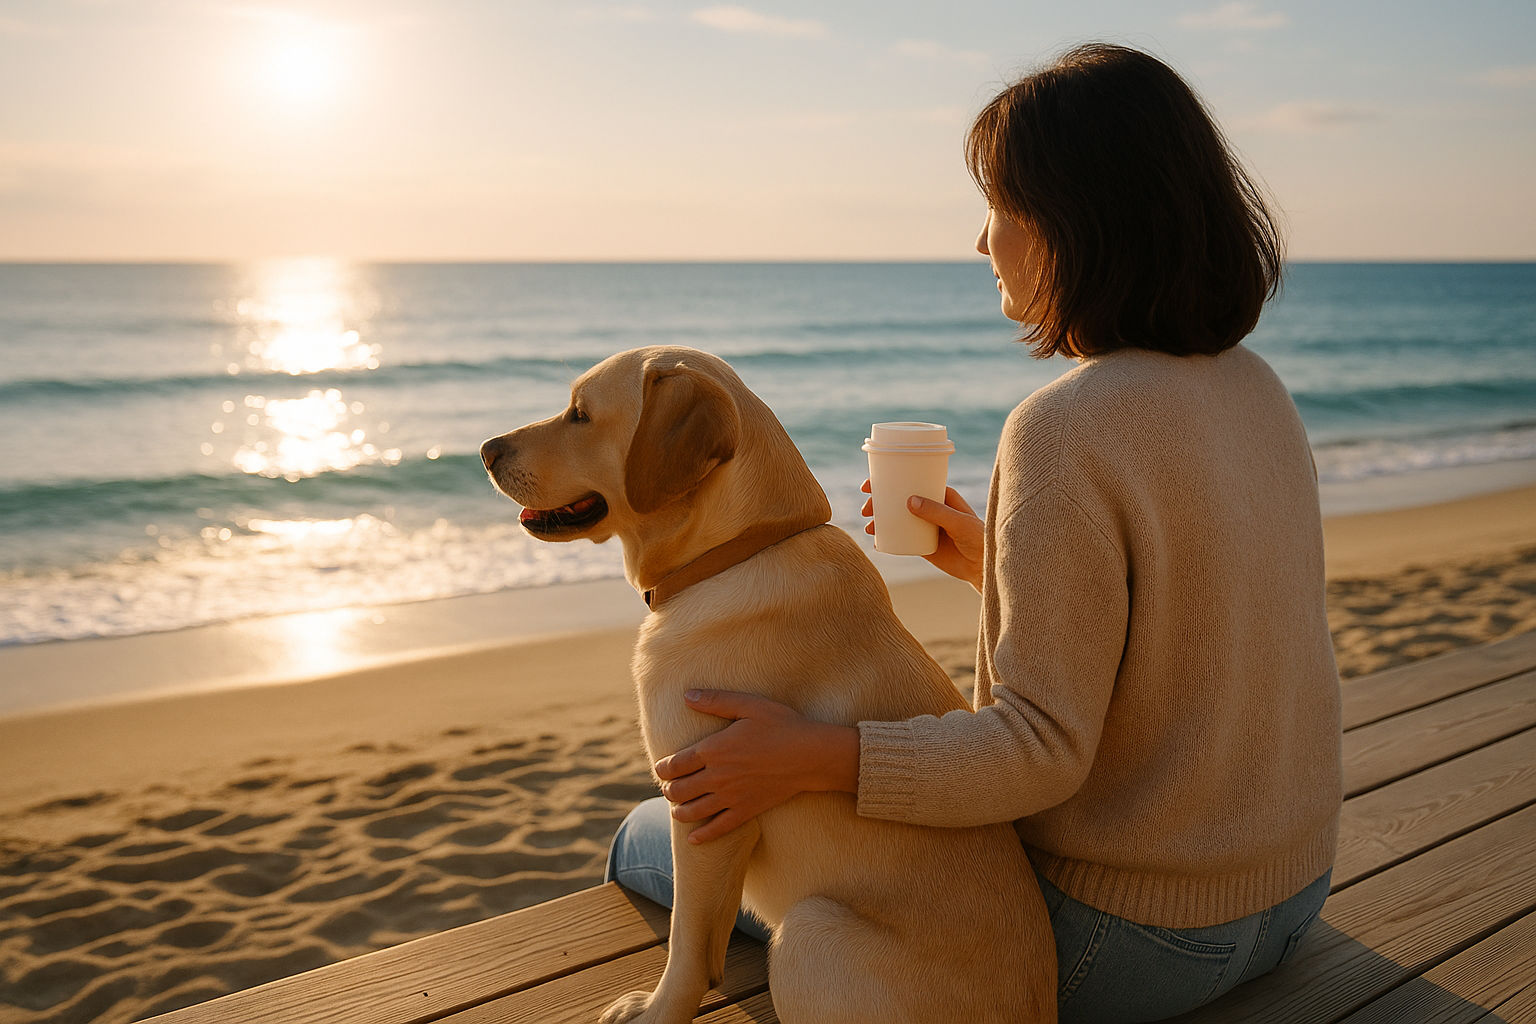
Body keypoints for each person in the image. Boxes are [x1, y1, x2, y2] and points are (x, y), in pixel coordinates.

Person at [605, 42, 1341, 1024]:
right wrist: (992, 561)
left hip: (1121, 945)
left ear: (1072, 224)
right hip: (1289, 897)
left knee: (649, 836)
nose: (983, 241)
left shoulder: (1067, 426)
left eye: (998, 207)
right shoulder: (1258, 390)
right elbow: (1205, 622)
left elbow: (1037, 751)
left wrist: (815, 754)